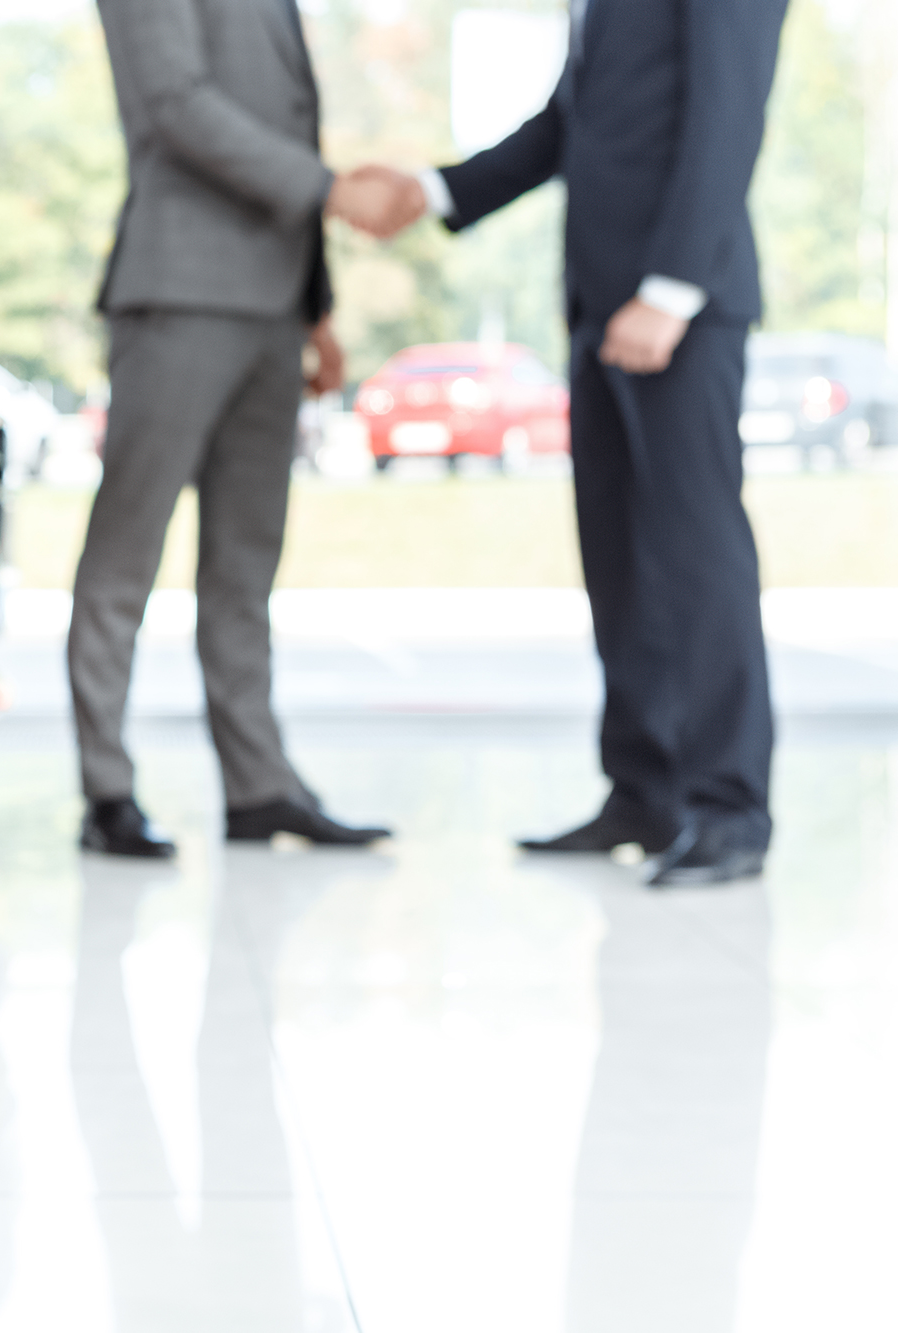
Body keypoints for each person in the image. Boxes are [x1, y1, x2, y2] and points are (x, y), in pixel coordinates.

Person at [408, 0, 790, 885]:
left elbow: (729, 109)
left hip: (676, 306)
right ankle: (645, 789)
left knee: (696, 554)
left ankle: (729, 806)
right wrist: (438, 191)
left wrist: (673, 286)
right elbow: (568, 122)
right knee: (618, 553)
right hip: (601, 302)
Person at [72, 0, 414, 859]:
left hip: (274, 307)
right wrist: (334, 193)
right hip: (179, 291)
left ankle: (258, 786)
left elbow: (287, 130)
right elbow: (177, 103)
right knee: (127, 552)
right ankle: (107, 789)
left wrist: (318, 310)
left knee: (246, 562)